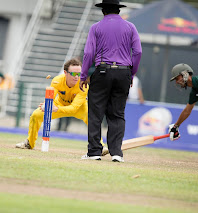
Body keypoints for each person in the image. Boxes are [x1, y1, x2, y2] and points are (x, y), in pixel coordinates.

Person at [79, 0, 142, 162]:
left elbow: (88, 53)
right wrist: (131, 74)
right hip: (124, 73)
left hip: (102, 71)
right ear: (118, 10)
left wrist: (83, 75)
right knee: (117, 114)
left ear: (103, 11)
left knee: (95, 113)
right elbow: (138, 52)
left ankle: (94, 152)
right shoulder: (131, 27)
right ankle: (116, 153)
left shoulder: (96, 28)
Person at [15, 58, 108, 155]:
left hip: (79, 107)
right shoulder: (57, 81)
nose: (76, 77)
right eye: (73, 74)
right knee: (35, 115)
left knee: (92, 118)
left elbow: (73, 108)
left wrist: (56, 108)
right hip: (60, 103)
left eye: (79, 74)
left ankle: (100, 146)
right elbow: (50, 97)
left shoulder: (83, 85)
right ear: (65, 72)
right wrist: (47, 104)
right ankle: (29, 143)